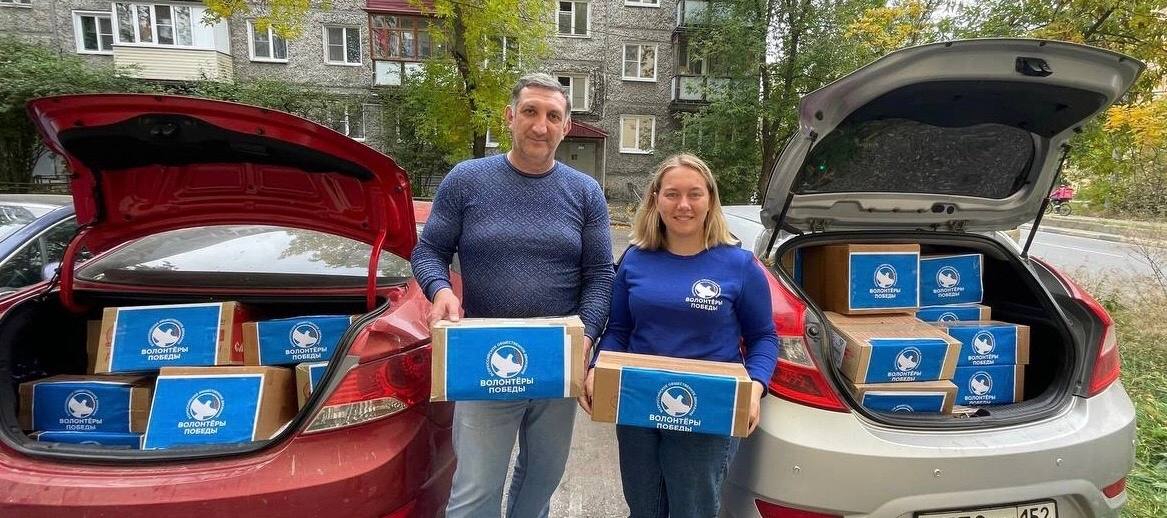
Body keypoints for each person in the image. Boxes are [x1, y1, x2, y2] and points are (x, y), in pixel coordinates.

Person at [411, 73, 614, 518]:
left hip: (557, 359)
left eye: (553, 116)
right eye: (530, 112)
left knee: (540, 483)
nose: (541, 126)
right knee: (475, 491)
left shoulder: (585, 193)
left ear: (566, 127)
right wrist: (440, 290)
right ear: (509, 117)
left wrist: (586, 338)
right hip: (485, 356)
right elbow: (429, 251)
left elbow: (601, 275)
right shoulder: (467, 180)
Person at [579, 153, 779, 518]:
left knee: (693, 510)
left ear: (710, 200)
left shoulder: (740, 265)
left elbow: (764, 337)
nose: (683, 204)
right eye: (672, 194)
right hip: (637, 404)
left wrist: (754, 388)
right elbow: (619, 330)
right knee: (643, 509)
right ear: (656, 199)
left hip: (709, 410)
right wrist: (596, 368)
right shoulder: (635, 259)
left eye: (694, 194)